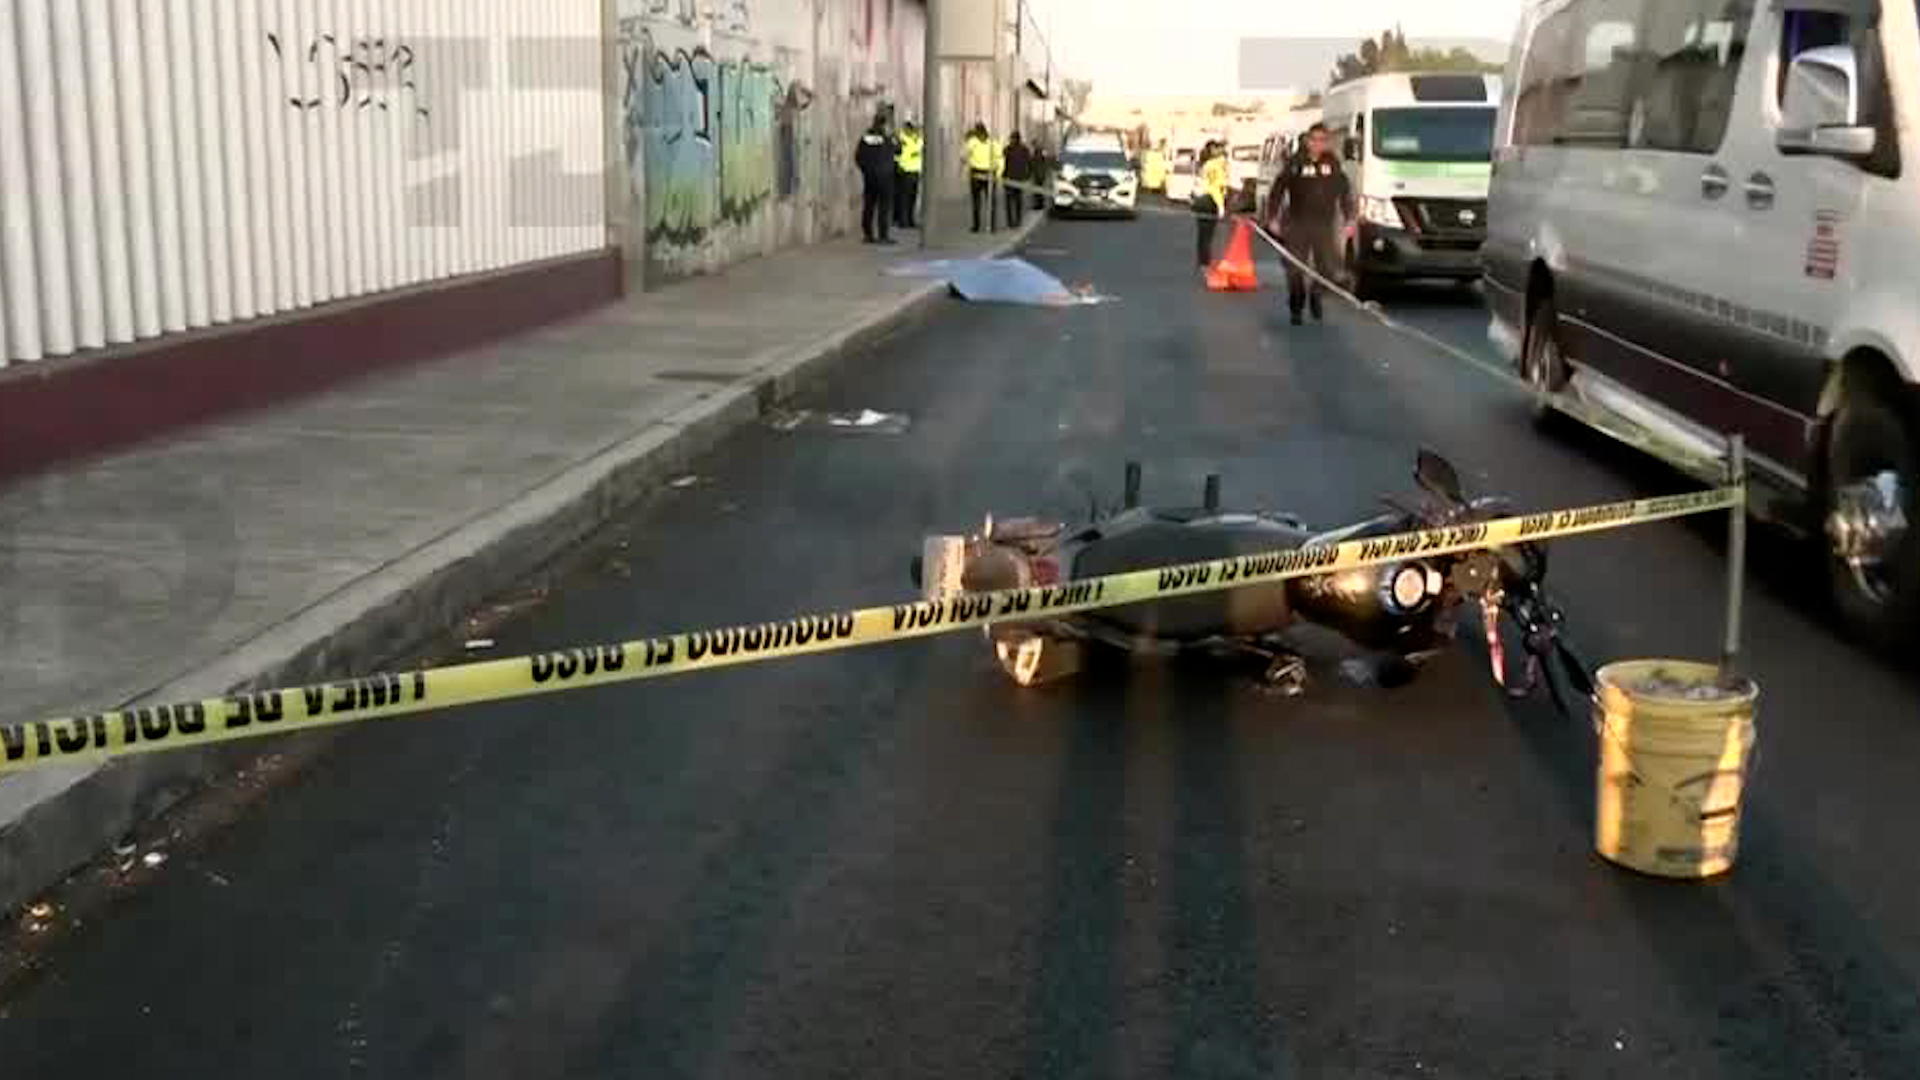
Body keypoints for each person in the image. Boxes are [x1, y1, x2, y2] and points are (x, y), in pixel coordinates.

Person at [1266, 123, 1354, 324]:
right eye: (1314, 140)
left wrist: (1349, 219)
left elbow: (1344, 192)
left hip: (1324, 225)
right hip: (1298, 223)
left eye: (1322, 140)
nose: (1318, 144)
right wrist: (1273, 218)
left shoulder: (1333, 164)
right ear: (1307, 141)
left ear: (1328, 142)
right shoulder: (1295, 163)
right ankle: (1296, 307)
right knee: (1295, 269)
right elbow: (1277, 191)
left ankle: (1316, 294)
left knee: (1328, 271)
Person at [856, 115, 897, 244]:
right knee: (884, 207)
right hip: (885, 177)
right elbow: (898, 150)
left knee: (869, 206)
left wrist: (866, 170)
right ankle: (883, 236)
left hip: (870, 177)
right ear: (884, 124)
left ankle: (868, 235)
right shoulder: (887, 139)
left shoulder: (866, 138)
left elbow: (858, 157)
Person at [1192, 141, 1230, 270]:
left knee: (1203, 233)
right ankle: (1205, 262)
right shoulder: (1216, 166)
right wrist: (1220, 206)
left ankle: (1203, 261)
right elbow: (1215, 187)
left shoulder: (1207, 164)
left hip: (1202, 199)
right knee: (1208, 234)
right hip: (1209, 200)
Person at [965, 122, 997, 232]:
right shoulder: (992, 142)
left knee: (977, 202)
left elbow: (964, 155)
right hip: (988, 173)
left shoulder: (972, 142)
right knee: (990, 201)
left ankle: (977, 226)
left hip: (977, 173)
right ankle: (991, 226)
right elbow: (999, 158)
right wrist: (998, 173)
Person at [894, 119, 923, 229]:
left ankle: (910, 220)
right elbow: (896, 154)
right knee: (904, 198)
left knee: (912, 198)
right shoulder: (901, 139)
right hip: (905, 171)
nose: (910, 131)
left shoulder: (917, 139)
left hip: (915, 171)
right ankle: (903, 221)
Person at [1001, 132, 1033, 228]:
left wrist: (1027, 175)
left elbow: (1029, 163)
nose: (1011, 140)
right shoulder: (1008, 149)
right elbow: (1002, 163)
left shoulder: (1021, 149)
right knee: (1011, 201)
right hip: (1011, 178)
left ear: (1017, 139)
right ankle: (1012, 221)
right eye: (1011, 138)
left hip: (1015, 179)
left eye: (1013, 138)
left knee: (1016, 201)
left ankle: (1016, 221)